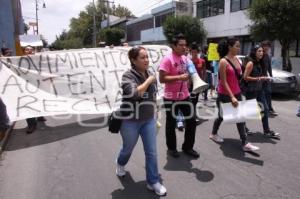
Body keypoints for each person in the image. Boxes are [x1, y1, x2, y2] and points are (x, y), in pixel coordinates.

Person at [115, 46, 167, 196]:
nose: (146, 60)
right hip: (130, 121)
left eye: (147, 57)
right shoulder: (128, 76)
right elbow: (133, 94)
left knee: (151, 152)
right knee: (127, 149)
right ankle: (120, 163)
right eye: (142, 57)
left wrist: (156, 114)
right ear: (133, 60)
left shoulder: (150, 73)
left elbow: (153, 96)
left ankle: (153, 181)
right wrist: (149, 81)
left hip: (148, 120)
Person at [209, 37, 259, 152]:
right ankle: (213, 134)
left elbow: (239, 77)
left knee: (239, 117)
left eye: (239, 46)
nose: (239, 48)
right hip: (225, 94)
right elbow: (223, 81)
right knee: (222, 116)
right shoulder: (223, 61)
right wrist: (231, 96)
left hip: (237, 92)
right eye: (236, 46)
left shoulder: (238, 59)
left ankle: (244, 142)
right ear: (230, 47)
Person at [159, 33, 199, 158]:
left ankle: (188, 147)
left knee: (191, 122)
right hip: (171, 97)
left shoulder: (185, 59)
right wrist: (179, 77)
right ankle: (171, 148)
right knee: (171, 124)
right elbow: (162, 79)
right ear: (173, 46)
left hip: (185, 96)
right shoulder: (167, 59)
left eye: (185, 45)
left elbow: (191, 73)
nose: (184, 47)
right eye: (181, 45)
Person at [243, 45, 280, 138]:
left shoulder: (260, 62)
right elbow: (245, 77)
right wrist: (259, 78)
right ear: (254, 52)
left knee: (265, 109)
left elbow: (262, 75)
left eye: (262, 51)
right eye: (259, 51)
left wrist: (266, 78)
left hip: (259, 89)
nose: (261, 53)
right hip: (250, 90)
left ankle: (266, 131)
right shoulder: (250, 63)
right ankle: (243, 128)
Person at [23, 45, 46, 134]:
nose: (29, 51)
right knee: (28, 105)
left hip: (38, 85)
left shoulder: (38, 60)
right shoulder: (19, 60)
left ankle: (40, 116)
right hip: (26, 87)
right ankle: (31, 125)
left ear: (34, 51)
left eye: (31, 50)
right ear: (24, 51)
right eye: (27, 49)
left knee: (40, 101)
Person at [261, 41, 277, 116]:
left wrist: (271, 76)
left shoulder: (268, 56)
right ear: (262, 46)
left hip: (266, 78)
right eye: (265, 46)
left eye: (268, 46)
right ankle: (265, 109)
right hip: (260, 78)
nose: (266, 47)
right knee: (261, 94)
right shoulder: (260, 55)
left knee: (268, 93)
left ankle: (269, 109)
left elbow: (269, 67)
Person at [190, 43, 206, 114]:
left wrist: (203, 81)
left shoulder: (202, 61)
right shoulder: (188, 61)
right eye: (193, 52)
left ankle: (193, 113)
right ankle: (192, 114)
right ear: (191, 53)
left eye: (196, 52)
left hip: (198, 84)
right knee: (191, 99)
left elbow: (204, 72)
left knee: (195, 100)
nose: (194, 53)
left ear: (198, 52)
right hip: (190, 83)